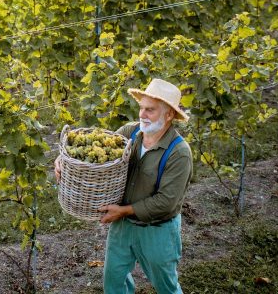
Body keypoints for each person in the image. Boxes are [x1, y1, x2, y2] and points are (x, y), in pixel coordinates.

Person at [54, 78, 193, 294]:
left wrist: (124, 211)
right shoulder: (130, 133)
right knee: (114, 283)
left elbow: (166, 202)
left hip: (157, 230)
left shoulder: (179, 153)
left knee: (166, 286)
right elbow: (96, 154)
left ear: (169, 115)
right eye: (141, 108)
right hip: (124, 226)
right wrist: (64, 160)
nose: (142, 115)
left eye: (150, 110)